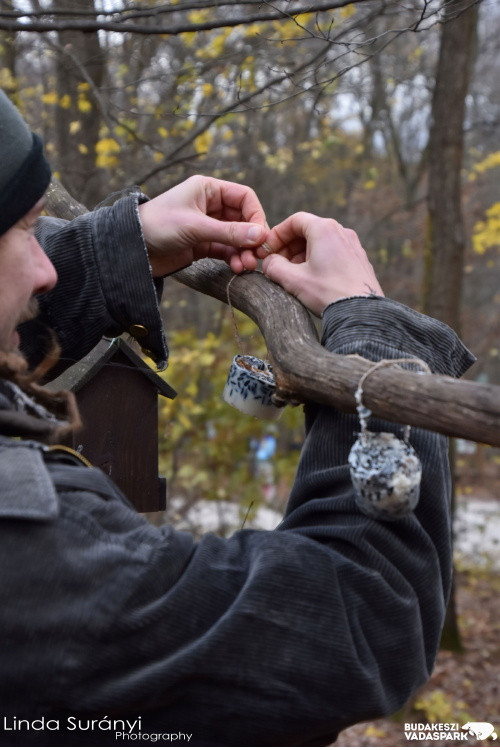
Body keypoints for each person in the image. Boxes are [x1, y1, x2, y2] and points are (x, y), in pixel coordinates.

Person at [0, 88, 475, 748]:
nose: (46, 268)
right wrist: (372, 329)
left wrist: (119, 247)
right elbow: (357, 620)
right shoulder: (40, 556)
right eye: (24, 229)